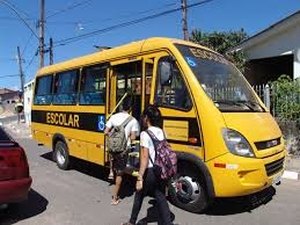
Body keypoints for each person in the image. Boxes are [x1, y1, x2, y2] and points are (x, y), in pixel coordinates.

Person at [122, 105, 172, 225]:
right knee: (160, 197)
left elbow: (144, 158)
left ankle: (131, 222)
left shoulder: (145, 134)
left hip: (149, 171)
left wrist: (140, 177)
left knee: (139, 196)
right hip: (160, 169)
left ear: (146, 118)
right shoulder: (161, 131)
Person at [104, 96, 139, 205]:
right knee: (120, 174)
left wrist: (114, 137)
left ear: (122, 107)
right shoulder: (132, 120)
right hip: (123, 150)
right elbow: (133, 138)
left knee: (115, 166)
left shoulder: (114, 117)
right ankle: (115, 198)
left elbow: (105, 131)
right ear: (130, 108)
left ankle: (111, 171)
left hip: (112, 148)